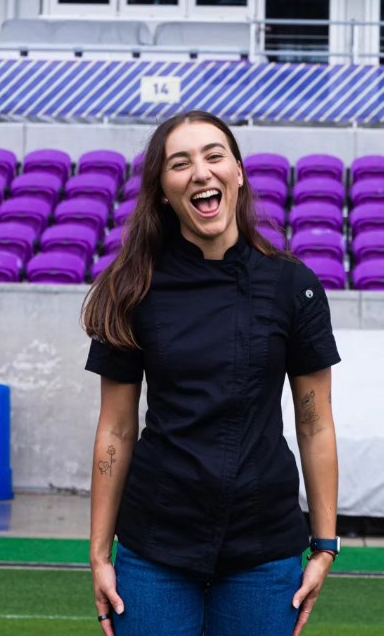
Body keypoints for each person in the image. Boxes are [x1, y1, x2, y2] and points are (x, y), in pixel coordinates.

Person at [83, 111, 341, 636]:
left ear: (238, 173)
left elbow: (315, 424)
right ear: (162, 191)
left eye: (214, 156)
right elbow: (116, 429)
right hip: (155, 546)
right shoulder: (130, 290)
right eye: (180, 163)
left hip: (263, 550)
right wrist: (99, 552)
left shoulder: (294, 286)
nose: (201, 172)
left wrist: (324, 545)